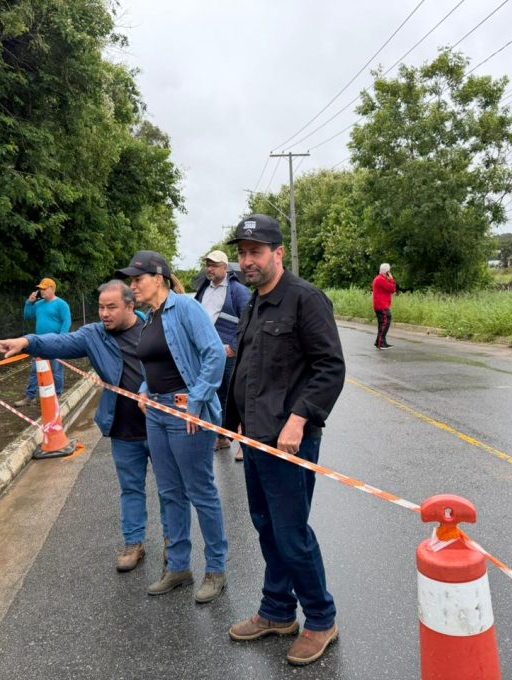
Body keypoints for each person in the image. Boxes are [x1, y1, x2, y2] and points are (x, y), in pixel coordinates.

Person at [224, 214, 345, 667]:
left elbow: (330, 367)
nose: (247, 261)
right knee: (267, 526)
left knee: (292, 534)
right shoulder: (254, 302)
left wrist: (298, 420)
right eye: (242, 253)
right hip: (256, 439)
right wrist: (235, 423)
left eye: (255, 252)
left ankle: (320, 619)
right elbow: (251, 370)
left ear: (279, 253)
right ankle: (277, 611)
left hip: (290, 441)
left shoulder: (305, 299)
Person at [0, 281, 168, 573]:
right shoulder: (94, 335)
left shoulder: (155, 328)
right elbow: (59, 343)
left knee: (169, 489)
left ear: (130, 306)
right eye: (101, 307)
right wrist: (26, 342)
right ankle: (133, 542)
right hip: (123, 429)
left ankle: (172, 542)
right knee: (130, 489)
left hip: (160, 426)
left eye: (111, 307)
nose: (104, 313)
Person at [115, 251, 229, 604]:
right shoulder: (150, 318)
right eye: (131, 281)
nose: (133, 286)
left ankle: (215, 569)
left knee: (200, 491)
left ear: (160, 277)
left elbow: (214, 353)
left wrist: (196, 402)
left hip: (185, 411)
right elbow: (156, 366)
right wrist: (146, 392)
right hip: (158, 414)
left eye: (138, 279)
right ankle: (179, 567)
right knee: (168, 492)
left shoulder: (185, 308)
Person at [193, 250, 250, 457]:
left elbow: (248, 320)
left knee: (236, 397)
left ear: (225, 268)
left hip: (229, 354)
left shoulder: (238, 291)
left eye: (214, 265)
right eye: (208, 264)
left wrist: (234, 347)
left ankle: (244, 444)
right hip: (208, 354)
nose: (210, 268)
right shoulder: (203, 290)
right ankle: (222, 437)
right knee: (217, 395)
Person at [14, 278, 72, 407]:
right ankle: (30, 397)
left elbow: (67, 322)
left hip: (55, 342)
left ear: (52, 289)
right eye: (40, 289)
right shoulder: (38, 304)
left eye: (44, 289)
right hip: (39, 343)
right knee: (35, 371)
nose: (41, 291)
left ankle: (57, 395)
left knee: (56, 370)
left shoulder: (61, 304)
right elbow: (27, 316)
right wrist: (29, 302)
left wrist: (61, 339)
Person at [372, 263, 397, 349]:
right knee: (385, 323)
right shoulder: (381, 279)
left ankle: (380, 341)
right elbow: (392, 289)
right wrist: (391, 279)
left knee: (382, 324)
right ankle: (380, 343)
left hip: (381, 305)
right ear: (387, 272)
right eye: (389, 271)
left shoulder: (380, 278)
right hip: (381, 305)